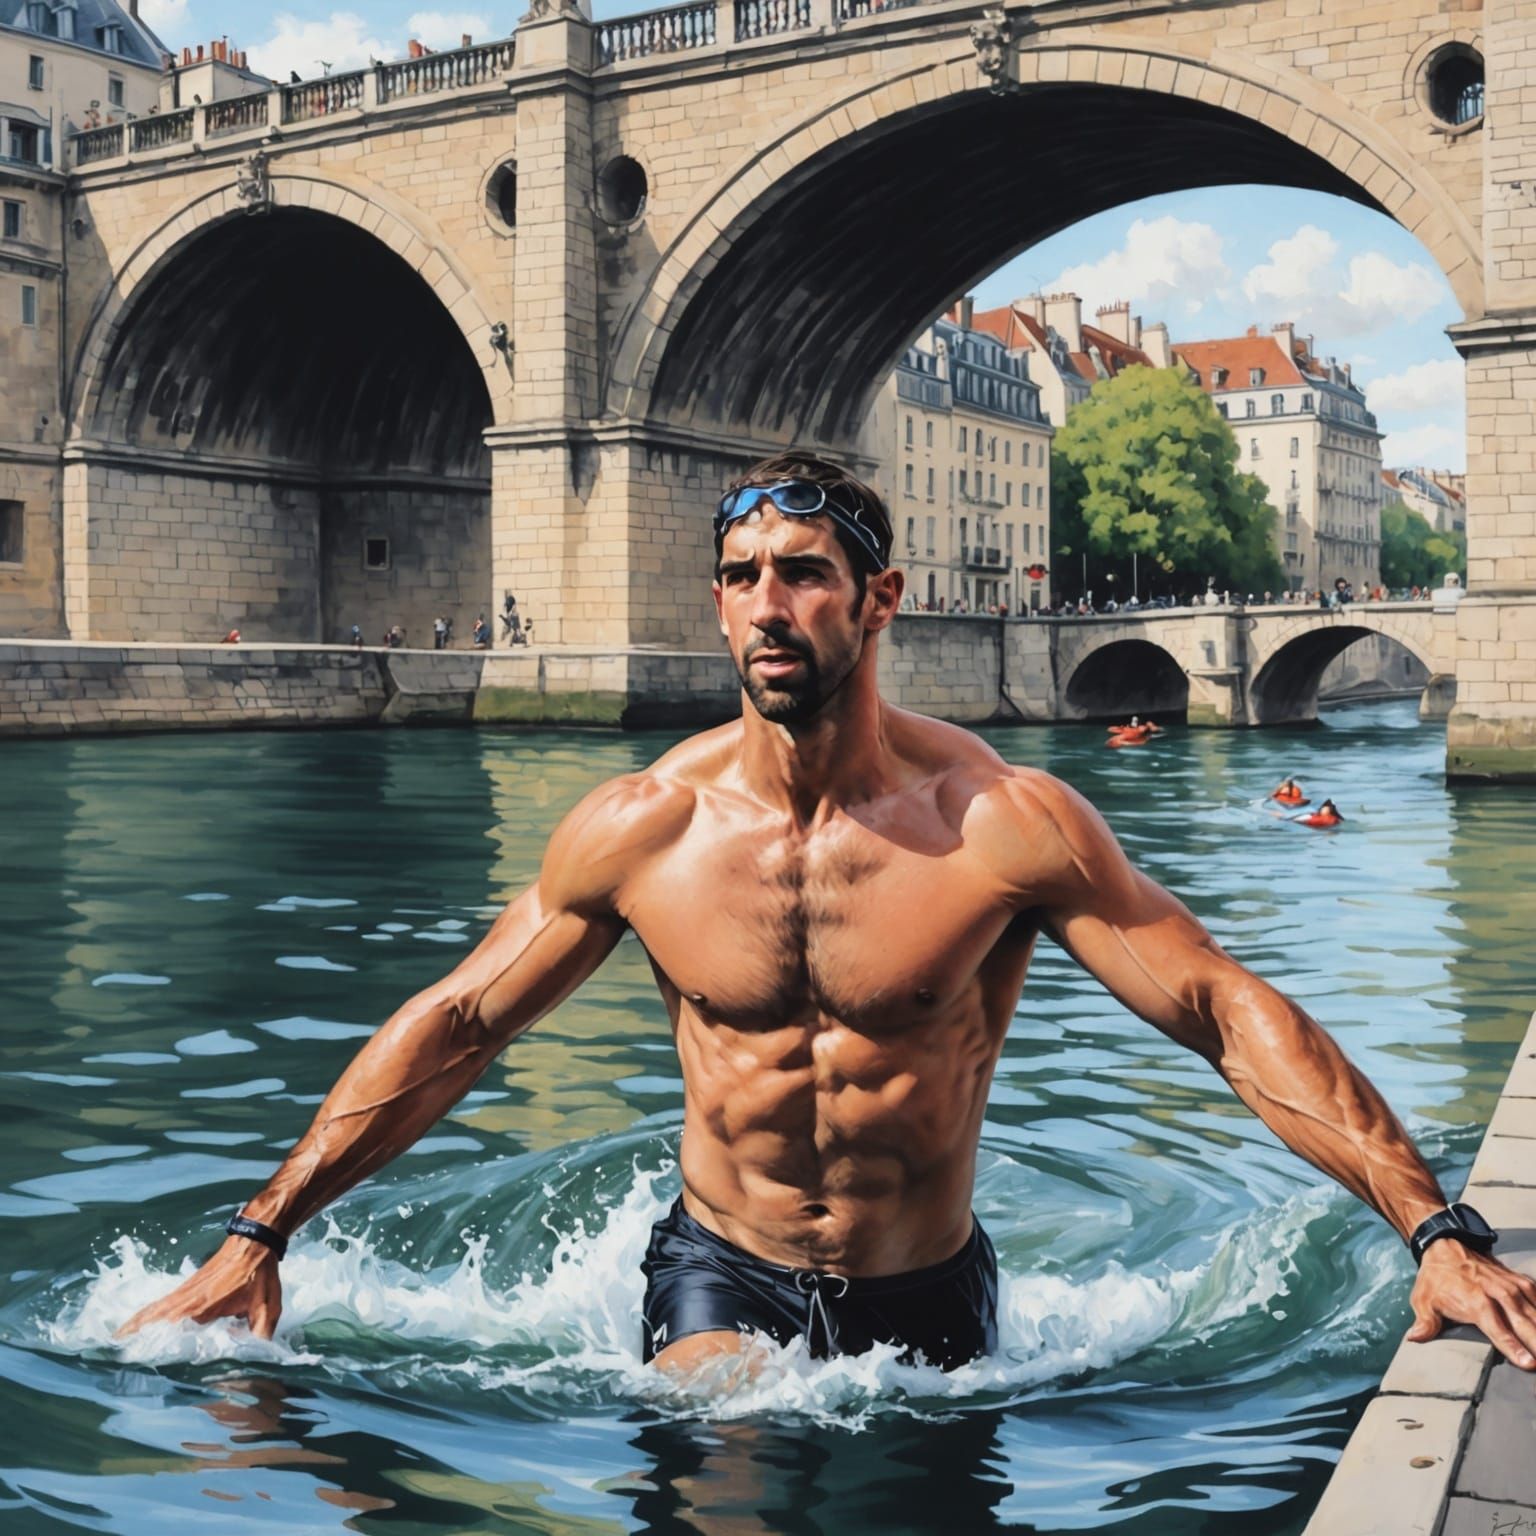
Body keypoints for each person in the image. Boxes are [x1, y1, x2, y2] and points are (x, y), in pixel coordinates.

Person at [119, 452, 1536, 1380]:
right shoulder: (642, 829)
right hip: (715, 1274)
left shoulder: (1003, 824)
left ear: (880, 598)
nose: (767, 608)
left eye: (803, 574)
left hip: (932, 1292)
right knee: (728, 1443)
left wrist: (1439, 1234)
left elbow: (1223, 1010)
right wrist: (261, 1235)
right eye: (741, 580)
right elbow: (464, 1020)